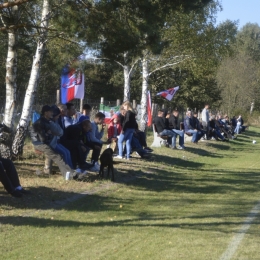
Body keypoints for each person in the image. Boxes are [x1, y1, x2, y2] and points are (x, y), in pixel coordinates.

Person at [31, 105, 80, 180]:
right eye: (50, 112)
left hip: (43, 142)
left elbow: (57, 133)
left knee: (59, 156)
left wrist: (49, 133)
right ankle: (70, 174)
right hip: (40, 144)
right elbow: (43, 139)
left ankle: (70, 173)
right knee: (57, 156)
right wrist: (49, 133)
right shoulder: (41, 122)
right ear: (46, 113)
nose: (52, 113)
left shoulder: (46, 121)